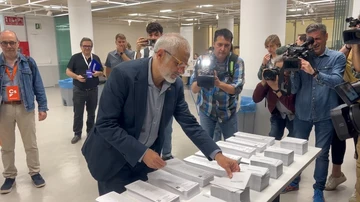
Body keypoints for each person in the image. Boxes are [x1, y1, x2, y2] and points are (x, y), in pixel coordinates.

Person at [81, 33, 240, 195]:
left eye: (185, 65)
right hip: (114, 160)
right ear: (160, 54)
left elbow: (189, 123)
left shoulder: (175, 85)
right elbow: (105, 124)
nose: (181, 71)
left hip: (146, 163)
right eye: (178, 64)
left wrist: (217, 155)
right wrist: (141, 152)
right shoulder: (123, 75)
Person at [284, 23, 346, 202]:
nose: (315, 43)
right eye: (312, 39)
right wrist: (292, 72)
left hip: (325, 114)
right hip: (302, 113)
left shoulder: (336, 58)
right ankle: (294, 181)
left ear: (326, 37)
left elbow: (336, 81)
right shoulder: (303, 56)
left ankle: (318, 190)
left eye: (318, 38)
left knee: (321, 154)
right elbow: (294, 89)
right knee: (297, 151)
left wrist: (314, 72)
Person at [0, 30, 48, 194]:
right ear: (1, 45)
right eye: (5, 42)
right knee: (6, 146)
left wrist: (42, 106)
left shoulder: (28, 62)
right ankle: (9, 176)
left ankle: (35, 172)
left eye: (12, 42)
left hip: (24, 107)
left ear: (18, 43)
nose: (9, 46)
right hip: (3, 108)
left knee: (30, 144)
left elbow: (38, 85)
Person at [190, 28, 245, 141]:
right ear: (213, 44)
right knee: (207, 146)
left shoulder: (237, 62)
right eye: (219, 44)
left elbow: (236, 89)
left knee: (233, 146)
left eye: (226, 45)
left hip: (228, 112)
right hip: (207, 111)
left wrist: (218, 84)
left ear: (231, 46)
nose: (222, 49)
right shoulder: (202, 60)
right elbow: (194, 89)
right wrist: (204, 79)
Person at [66, 37, 104, 144]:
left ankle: (90, 132)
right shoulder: (75, 58)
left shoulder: (95, 58)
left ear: (92, 47)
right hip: (79, 90)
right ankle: (77, 133)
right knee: (78, 112)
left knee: (91, 112)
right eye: (85, 46)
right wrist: (77, 77)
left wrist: (98, 73)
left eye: (89, 46)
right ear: (81, 47)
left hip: (93, 90)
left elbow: (101, 71)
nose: (87, 48)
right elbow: (68, 71)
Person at [252, 50, 295, 140]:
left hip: (293, 115)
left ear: (288, 71)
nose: (278, 72)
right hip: (278, 113)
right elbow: (256, 99)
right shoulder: (272, 79)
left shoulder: (293, 81)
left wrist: (276, 89)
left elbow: (291, 106)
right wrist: (263, 82)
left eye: (281, 70)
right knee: (273, 138)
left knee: (293, 140)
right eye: (276, 69)